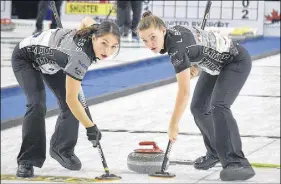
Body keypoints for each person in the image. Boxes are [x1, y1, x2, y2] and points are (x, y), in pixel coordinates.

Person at [137, 11, 255, 181]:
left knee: (219, 106)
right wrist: (194, 63)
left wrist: (173, 124)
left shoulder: (176, 50)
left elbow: (184, 92)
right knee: (199, 107)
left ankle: (237, 162)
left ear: (163, 30)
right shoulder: (173, 33)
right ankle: (215, 151)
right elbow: (197, 44)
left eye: (153, 37)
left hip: (235, 61)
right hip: (215, 65)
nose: (150, 44)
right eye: (145, 40)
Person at [12, 16, 120, 178]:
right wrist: (90, 128)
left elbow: (85, 19)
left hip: (53, 62)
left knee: (71, 105)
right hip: (26, 57)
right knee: (37, 104)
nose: (107, 51)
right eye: (104, 43)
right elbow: (72, 99)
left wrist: (72, 36)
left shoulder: (95, 29)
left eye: (113, 46)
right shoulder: (79, 57)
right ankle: (27, 160)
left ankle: (61, 148)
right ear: (93, 37)